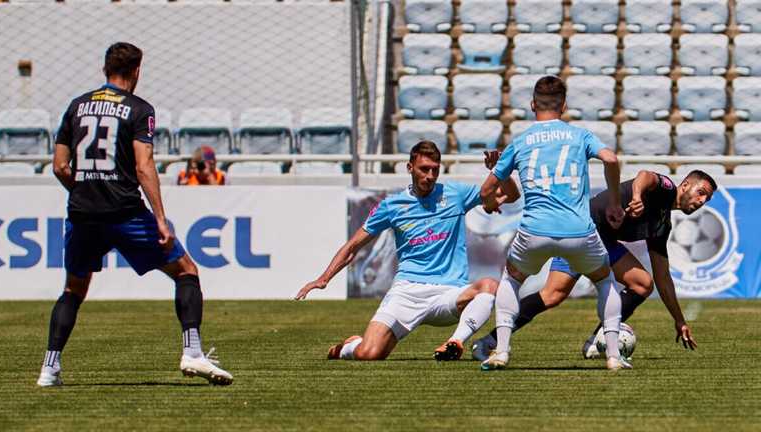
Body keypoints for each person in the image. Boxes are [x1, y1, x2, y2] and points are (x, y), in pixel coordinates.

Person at [37, 42, 233, 387]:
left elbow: (59, 166)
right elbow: (143, 166)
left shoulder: (77, 106)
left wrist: (84, 193)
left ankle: (49, 370)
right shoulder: (139, 109)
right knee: (186, 269)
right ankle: (192, 352)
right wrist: (159, 217)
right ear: (137, 71)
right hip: (126, 212)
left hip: (83, 214)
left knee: (73, 290)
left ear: (104, 69)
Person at [295, 141, 520, 361]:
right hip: (407, 292)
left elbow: (511, 196)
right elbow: (353, 246)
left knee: (490, 285)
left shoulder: (455, 193)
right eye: (424, 169)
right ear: (410, 168)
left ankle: (455, 342)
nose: (430, 176)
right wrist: (323, 279)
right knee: (369, 353)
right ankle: (349, 346)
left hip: (449, 294)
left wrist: (499, 170)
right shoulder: (392, 205)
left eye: (435, 170)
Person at [472, 169, 716, 361]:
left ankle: (596, 340)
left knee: (642, 284)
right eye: (701, 192)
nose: (702, 200)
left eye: (707, 198)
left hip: (600, 239)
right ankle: (490, 342)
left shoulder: (662, 226)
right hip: (582, 230)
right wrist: (637, 196)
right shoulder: (664, 189)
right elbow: (645, 176)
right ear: (684, 185)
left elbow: (663, 277)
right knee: (553, 295)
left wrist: (679, 320)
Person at [479, 75, 630, 371]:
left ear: (533, 104)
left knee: (511, 279)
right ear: (564, 106)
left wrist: (490, 204)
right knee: (604, 280)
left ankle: (502, 350)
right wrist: (613, 202)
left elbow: (487, 190)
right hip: (579, 231)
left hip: (534, 231)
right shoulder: (579, 135)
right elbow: (611, 159)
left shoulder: (520, 142)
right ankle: (613, 354)